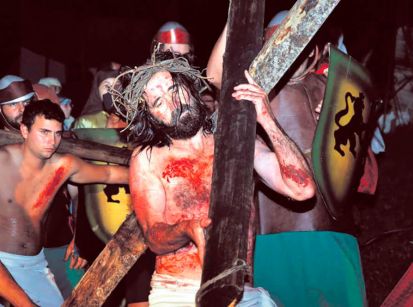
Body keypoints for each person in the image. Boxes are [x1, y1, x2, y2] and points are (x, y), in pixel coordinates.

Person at [112, 51, 315, 306]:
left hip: (240, 291)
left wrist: (267, 119)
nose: (174, 103)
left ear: (189, 85)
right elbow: (154, 236)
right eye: (159, 102)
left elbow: (302, 189)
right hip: (180, 291)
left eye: (174, 89)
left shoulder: (236, 142)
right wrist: (188, 228)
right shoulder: (149, 158)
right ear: (152, 117)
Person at [207, 11, 375, 307]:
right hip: (274, 240)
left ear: (313, 48)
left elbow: (362, 171)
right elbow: (216, 76)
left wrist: (336, 122)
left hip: (333, 236)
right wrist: (235, 14)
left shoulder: (333, 89)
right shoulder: (256, 92)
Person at [0, 99, 128, 307]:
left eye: (57, 133)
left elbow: (108, 173)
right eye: (44, 132)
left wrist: (159, 171)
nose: (52, 141)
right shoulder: (2, 162)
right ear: (24, 130)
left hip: (34, 265)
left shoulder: (63, 165)